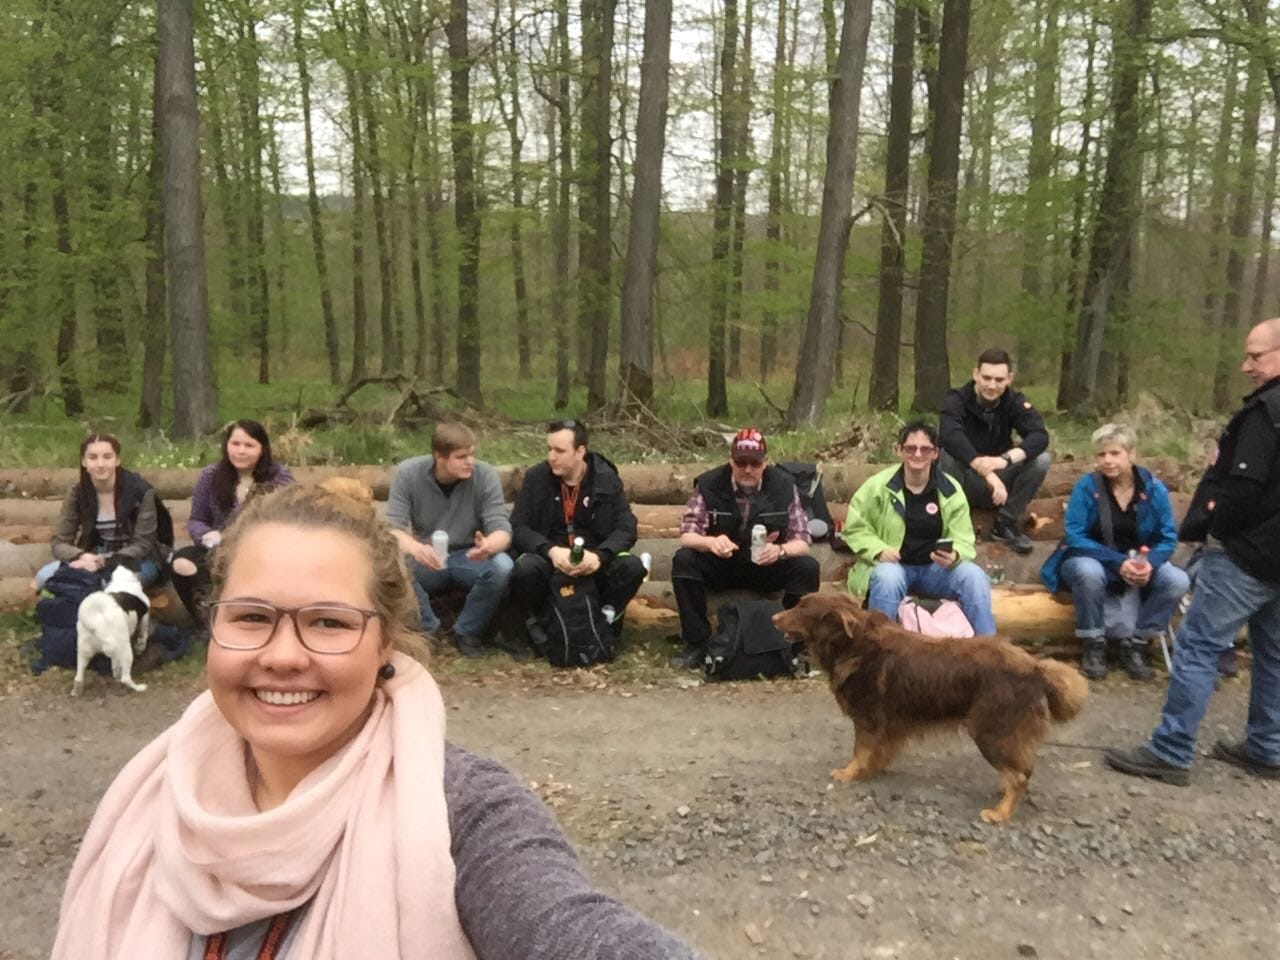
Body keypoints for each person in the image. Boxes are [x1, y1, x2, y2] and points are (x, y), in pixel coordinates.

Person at [52, 484, 700, 959]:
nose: (282, 657)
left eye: (328, 622)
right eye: (251, 617)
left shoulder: (462, 812)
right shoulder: (147, 799)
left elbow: (562, 926)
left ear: (384, 642)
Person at [1105, 318, 1280, 785]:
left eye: (1256, 356)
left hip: (1245, 557)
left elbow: (1244, 486)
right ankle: (1267, 747)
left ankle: (1171, 749)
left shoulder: (1265, 412)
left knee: (1198, 647)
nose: (1246, 366)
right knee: (1273, 653)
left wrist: (1216, 531)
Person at [1039, 423, 1189, 681]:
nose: (1107, 460)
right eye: (1101, 454)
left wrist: (1149, 564)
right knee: (1088, 571)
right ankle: (1093, 645)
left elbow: (1167, 538)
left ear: (1132, 454)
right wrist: (1118, 563)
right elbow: (1075, 535)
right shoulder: (1087, 487)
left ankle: (1139, 643)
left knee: (1177, 580)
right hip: (1089, 558)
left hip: (1138, 561)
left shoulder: (1153, 489)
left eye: (1115, 453)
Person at [668, 427, 820, 669]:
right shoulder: (708, 484)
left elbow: (802, 541)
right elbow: (687, 535)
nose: (748, 469)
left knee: (807, 567)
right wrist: (710, 542)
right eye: (741, 463)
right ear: (731, 461)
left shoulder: (784, 485)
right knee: (684, 559)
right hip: (722, 564)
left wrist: (780, 551)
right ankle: (696, 645)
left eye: (755, 463)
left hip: (766, 565)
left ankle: (794, 645)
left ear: (765, 463)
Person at [842, 420, 996, 635]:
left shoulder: (950, 489)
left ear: (935, 453)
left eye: (925, 449)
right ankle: (879, 645)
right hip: (895, 566)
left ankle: (987, 647)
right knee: (887, 577)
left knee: (974, 576)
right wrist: (878, 550)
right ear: (899, 451)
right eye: (910, 448)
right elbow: (855, 527)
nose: (917, 454)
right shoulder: (877, 486)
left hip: (937, 570)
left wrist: (955, 554)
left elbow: (963, 537)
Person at [508, 419, 646, 652]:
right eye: (549, 449)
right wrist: (550, 551)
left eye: (559, 451)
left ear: (580, 451)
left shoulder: (606, 478)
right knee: (525, 569)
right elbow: (519, 526)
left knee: (631, 567)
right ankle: (539, 629)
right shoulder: (536, 478)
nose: (551, 457)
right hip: (551, 557)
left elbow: (626, 527)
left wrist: (600, 556)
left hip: (593, 559)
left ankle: (605, 626)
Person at [385, 422, 513, 657]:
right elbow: (392, 529)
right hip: (428, 554)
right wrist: (416, 548)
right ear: (439, 457)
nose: (470, 462)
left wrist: (488, 545)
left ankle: (467, 632)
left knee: (503, 566)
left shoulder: (485, 475)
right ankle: (428, 629)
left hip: (469, 554)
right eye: (461, 457)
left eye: (472, 454)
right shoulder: (408, 473)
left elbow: (502, 529)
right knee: (395, 564)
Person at [171, 419, 295, 621]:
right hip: (218, 550)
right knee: (181, 562)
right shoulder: (211, 475)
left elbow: (292, 520)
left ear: (262, 449)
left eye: (249, 445)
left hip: (263, 552)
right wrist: (205, 535)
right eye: (235, 444)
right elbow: (197, 520)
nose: (241, 451)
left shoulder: (279, 478)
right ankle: (206, 621)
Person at [939, 347, 1052, 555]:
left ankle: (1005, 523)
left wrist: (1004, 460)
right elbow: (949, 436)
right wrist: (985, 471)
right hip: (964, 480)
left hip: (1001, 486)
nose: (992, 386)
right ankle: (952, 524)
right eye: (986, 378)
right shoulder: (956, 400)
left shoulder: (1014, 401)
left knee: (1042, 460)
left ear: (1009, 378)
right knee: (946, 455)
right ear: (976, 374)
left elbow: (1039, 436)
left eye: (999, 380)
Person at [39, 432, 168, 590]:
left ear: (117, 460)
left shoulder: (141, 492)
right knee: (43, 576)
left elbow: (143, 544)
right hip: (94, 553)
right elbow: (59, 542)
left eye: (107, 457)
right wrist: (83, 556)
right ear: (84, 462)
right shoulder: (78, 492)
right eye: (93, 458)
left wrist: (103, 562)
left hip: (136, 558)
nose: (100, 464)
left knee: (112, 585)